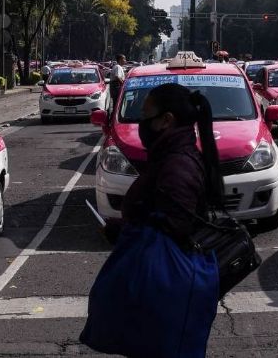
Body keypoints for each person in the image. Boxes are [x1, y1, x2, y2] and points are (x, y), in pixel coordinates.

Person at [81, 84, 221, 357]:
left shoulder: (178, 164)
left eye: (146, 116)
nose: (141, 124)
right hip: (159, 290)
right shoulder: (168, 156)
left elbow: (173, 226)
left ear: (166, 120)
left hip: (166, 291)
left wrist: (122, 229)